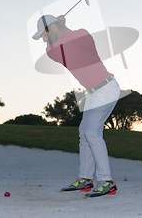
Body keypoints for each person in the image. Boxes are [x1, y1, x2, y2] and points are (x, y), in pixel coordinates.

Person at [32, 14, 119, 198]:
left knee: (91, 132)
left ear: (53, 29)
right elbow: (56, 46)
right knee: (84, 132)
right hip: (94, 92)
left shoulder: (79, 36)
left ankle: (107, 182)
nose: (43, 39)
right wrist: (62, 26)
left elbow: (68, 39)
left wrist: (61, 26)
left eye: (44, 34)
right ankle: (86, 180)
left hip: (106, 88)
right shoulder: (57, 48)